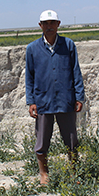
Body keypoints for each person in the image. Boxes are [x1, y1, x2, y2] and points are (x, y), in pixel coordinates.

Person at [25, 10, 85, 184]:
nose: (49, 26)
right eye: (45, 23)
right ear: (40, 26)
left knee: (71, 138)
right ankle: (44, 173)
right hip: (43, 100)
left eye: (52, 23)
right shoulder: (32, 49)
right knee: (42, 138)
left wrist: (79, 97)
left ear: (58, 24)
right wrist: (31, 101)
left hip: (66, 99)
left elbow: (76, 72)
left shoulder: (68, 45)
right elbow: (29, 77)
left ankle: (74, 172)